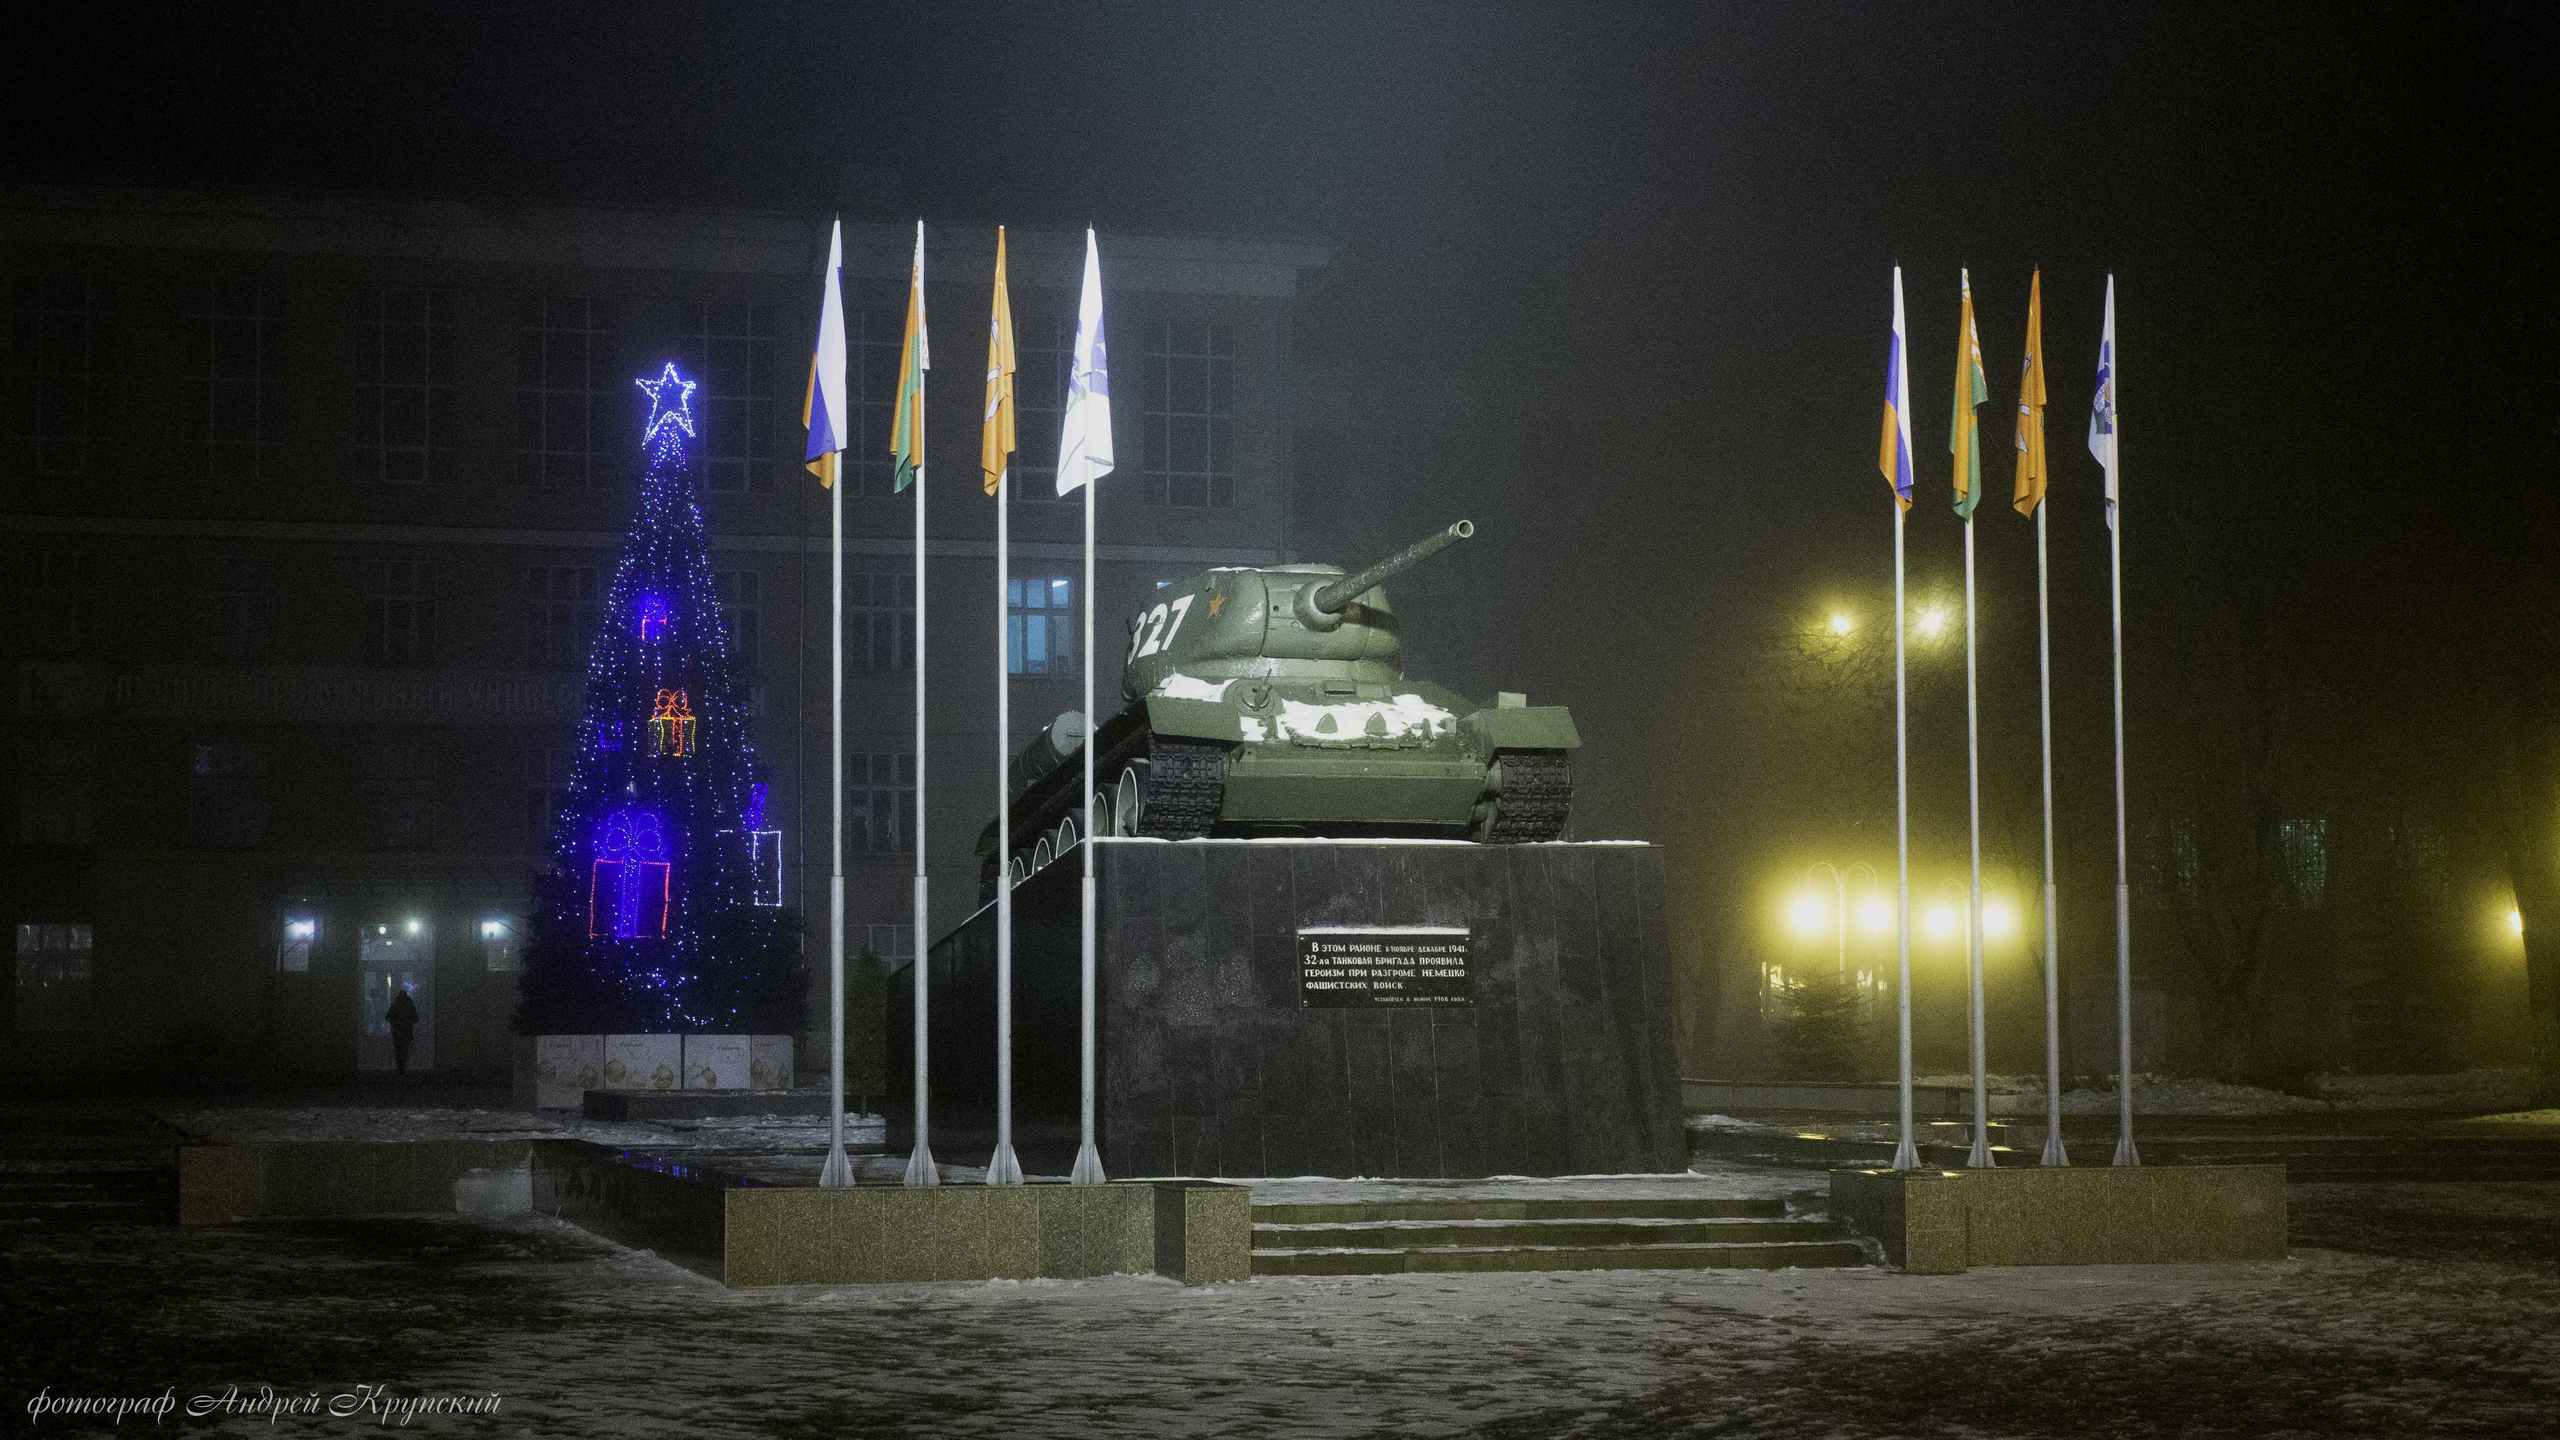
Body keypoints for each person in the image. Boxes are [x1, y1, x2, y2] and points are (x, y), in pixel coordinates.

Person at [386, 988, 419, 1076]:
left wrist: (396, 1022)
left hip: (397, 1032)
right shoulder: (410, 1006)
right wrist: (408, 1021)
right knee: (405, 1051)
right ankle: (403, 1068)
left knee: (398, 1051)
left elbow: (388, 1018)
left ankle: (399, 1068)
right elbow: (416, 1019)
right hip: (407, 1031)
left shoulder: (395, 1006)